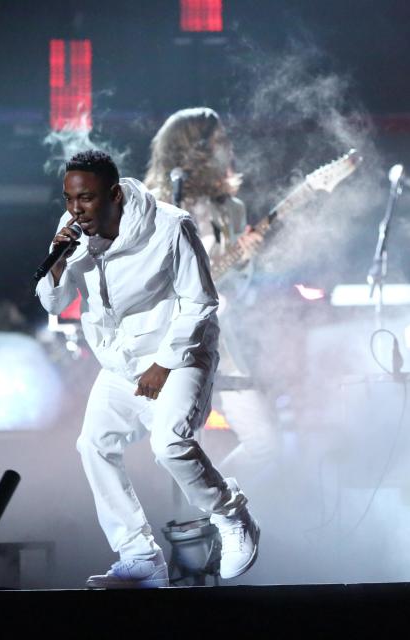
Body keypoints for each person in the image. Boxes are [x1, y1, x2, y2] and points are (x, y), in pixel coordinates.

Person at [35, 150, 260, 588]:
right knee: (93, 445)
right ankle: (139, 554)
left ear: (115, 194)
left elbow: (201, 303)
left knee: (170, 444)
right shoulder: (73, 236)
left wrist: (162, 363)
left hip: (179, 356)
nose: (75, 209)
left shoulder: (171, 227)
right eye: (68, 199)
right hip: (121, 364)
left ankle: (232, 516)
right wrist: (59, 260)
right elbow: (55, 302)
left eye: (86, 199)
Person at [144, 107, 281, 477]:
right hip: (166, 342)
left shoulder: (231, 209)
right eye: (220, 139)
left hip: (220, 338)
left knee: (265, 445)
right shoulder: (154, 206)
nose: (228, 147)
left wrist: (243, 258)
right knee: (175, 447)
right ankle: (186, 517)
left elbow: (237, 285)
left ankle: (212, 512)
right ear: (195, 147)